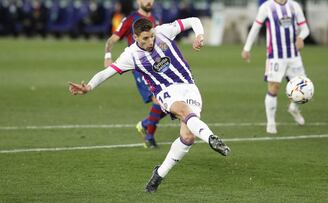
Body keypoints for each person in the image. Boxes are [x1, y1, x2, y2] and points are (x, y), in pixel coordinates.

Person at [69, 17, 231, 193]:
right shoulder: (130, 55)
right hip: (165, 92)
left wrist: (199, 35)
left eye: (151, 36)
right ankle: (211, 138)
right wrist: (89, 87)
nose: (150, 41)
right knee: (184, 112)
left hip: (189, 86)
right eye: (145, 38)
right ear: (136, 37)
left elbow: (193, 20)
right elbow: (108, 72)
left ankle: (158, 175)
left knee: (188, 137)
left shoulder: (163, 31)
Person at [241, 0, 310, 134]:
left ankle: (294, 108)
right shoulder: (266, 7)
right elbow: (255, 28)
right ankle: (271, 122)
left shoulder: (294, 6)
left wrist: (301, 37)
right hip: (275, 56)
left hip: (294, 56)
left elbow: (305, 28)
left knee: (304, 88)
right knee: (274, 87)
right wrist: (246, 48)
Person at [104, 0, 164, 148]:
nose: (149, 1)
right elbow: (112, 39)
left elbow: (161, 41)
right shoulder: (130, 19)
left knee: (169, 102)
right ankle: (149, 137)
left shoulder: (156, 19)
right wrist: (107, 57)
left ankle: (145, 124)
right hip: (140, 68)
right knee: (158, 100)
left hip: (157, 66)